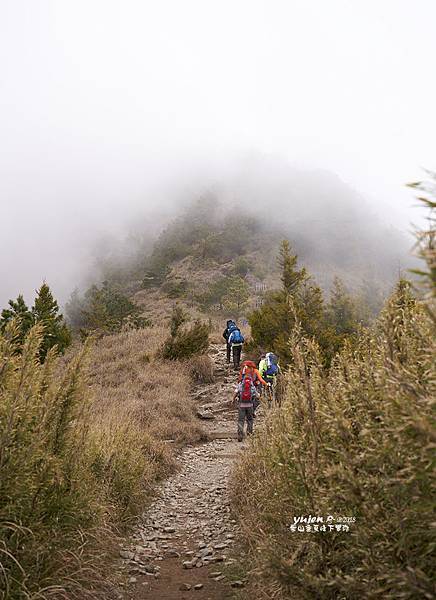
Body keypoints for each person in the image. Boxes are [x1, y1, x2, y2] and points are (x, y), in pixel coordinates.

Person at [233, 368, 260, 442]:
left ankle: (240, 435)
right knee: (250, 420)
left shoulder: (241, 384)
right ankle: (249, 434)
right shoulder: (252, 386)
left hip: (241, 405)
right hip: (250, 405)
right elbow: (257, 396)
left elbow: (236, 392)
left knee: (241, 420)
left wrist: (233, 400)